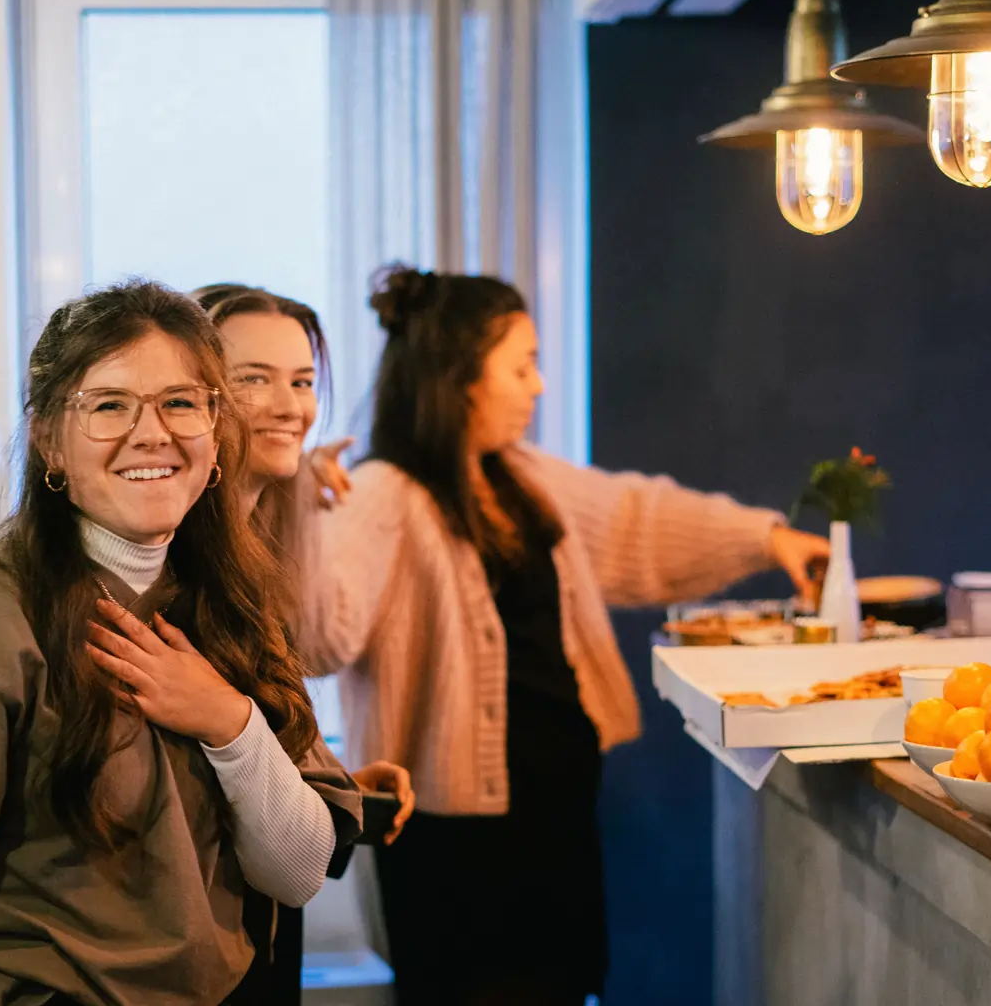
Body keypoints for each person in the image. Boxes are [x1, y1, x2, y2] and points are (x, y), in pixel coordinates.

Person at [0, 281, 362, 1006]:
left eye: (180, 402)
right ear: (48, 440)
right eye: (109, 405)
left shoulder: (229, 601)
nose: (152, 432)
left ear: (215, 428)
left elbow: (295, 874)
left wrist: (230, 724)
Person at [304, 266, 829, 1006]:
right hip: (453, 845)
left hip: (555, 813)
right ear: (459, 378)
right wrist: (300, 509)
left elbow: (634, 520)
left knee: (565, 986)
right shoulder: (385, 494)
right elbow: (319, 635)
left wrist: (766, 539)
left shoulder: (519, 477)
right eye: (521, 366)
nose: (538, 386)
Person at [193, 283, 416, 1002]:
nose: (290, 406)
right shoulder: (179, 565)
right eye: (254, 380)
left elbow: (247, 737)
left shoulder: (259, 546)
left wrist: (331, 777)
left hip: (262, 922)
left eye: (302, 381)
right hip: (203, 936)